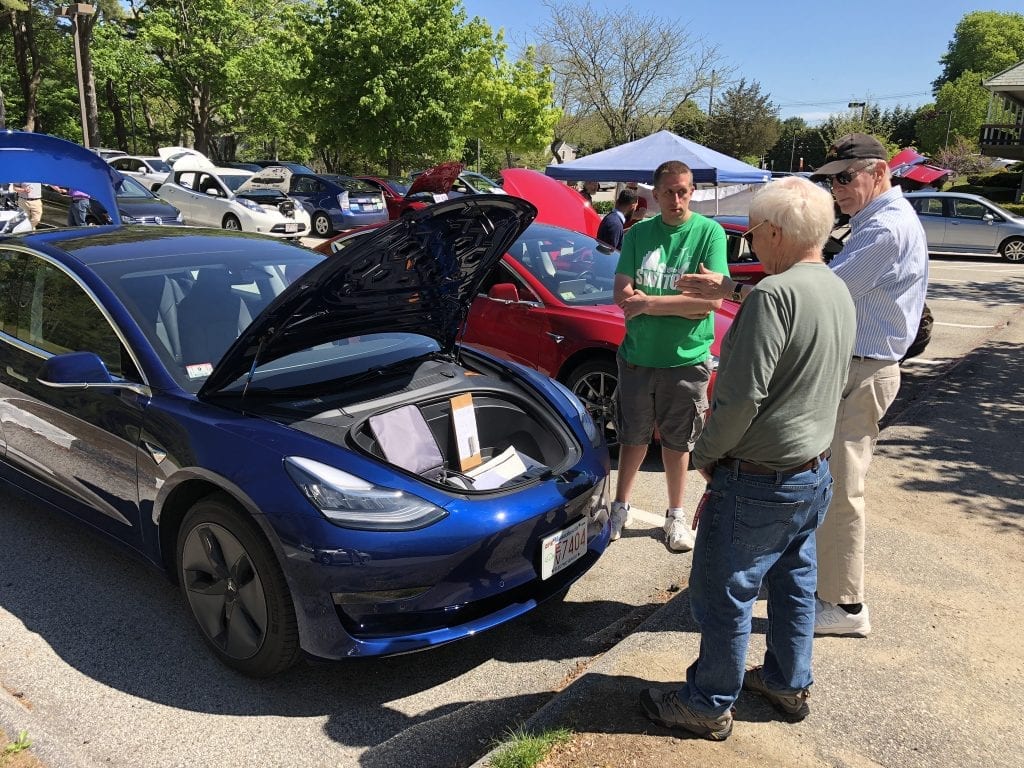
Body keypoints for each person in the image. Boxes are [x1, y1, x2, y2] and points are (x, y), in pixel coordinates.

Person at [675, 134, 929, 637]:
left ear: (878, 172)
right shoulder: (875, 222)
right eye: (830, 179)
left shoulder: (886, 229)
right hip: (853, 366)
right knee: (818, 478)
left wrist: (732, 289)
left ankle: (844, 603)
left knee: (843, 487)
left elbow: (820, 288)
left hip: (863, 369)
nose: (836, 189)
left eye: (845, 177)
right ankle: (809, 581)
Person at [641, 176, 856, 740]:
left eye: (755, 233)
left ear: (778, 233)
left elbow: (738, 398)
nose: (751, 244)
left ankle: (708, 703)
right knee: (793, 582)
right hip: (812, 471)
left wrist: (706, 455)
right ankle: (787, 682)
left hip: (759, 477)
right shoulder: (834, 287)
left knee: (724, 591)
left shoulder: (773, 296)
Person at [610, 160, 727, 553]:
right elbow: (621, 292)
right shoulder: (638, 234)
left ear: (692, 191)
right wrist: (675, 303)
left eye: (684, 191)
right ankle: (620, 507)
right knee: (632, 436)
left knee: (679, 445)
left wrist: (648, 304)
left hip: (686, 359)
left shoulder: (709, 233)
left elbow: (709, 302)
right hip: (638, 357)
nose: (677, 199)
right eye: (669, 192)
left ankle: (675, 515)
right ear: (655, 194)